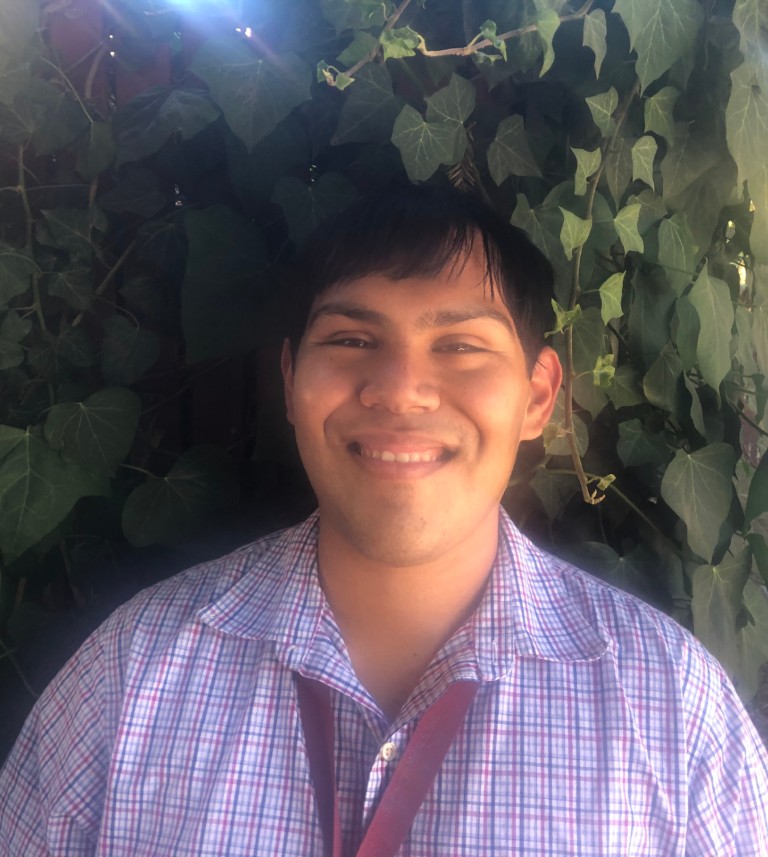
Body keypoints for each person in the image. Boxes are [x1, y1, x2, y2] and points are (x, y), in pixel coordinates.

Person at [1, 184, 767, 856]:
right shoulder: (130, 674)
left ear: (538, 397)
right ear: (290, 380)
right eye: (352, 339)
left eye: (460, 345)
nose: (400, 389)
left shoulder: (670, 704)